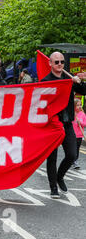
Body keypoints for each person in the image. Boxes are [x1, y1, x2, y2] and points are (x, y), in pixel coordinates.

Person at [41, 52, 86, 198]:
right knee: (52, 157)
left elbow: (83, 91)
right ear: (50, 63)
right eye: (56, 62)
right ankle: (53, 187)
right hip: (52, 125)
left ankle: (60, 177)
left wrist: (79, 82)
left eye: (62, 62)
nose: (60, 64)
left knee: (72, 154)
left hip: (67, 123)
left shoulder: (69, 79)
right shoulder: (45, 81)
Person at [72, 98, 86, 170]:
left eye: (80, 105)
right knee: (72, 149)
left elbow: (85, 124)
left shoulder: (82, 114)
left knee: (77, 149)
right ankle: (72, 160)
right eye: (77, 105)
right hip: (72, 135)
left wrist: (80, 123)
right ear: (74, 106)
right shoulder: (72, 114)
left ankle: (75, 161)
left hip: (79, 135)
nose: (80, 106)